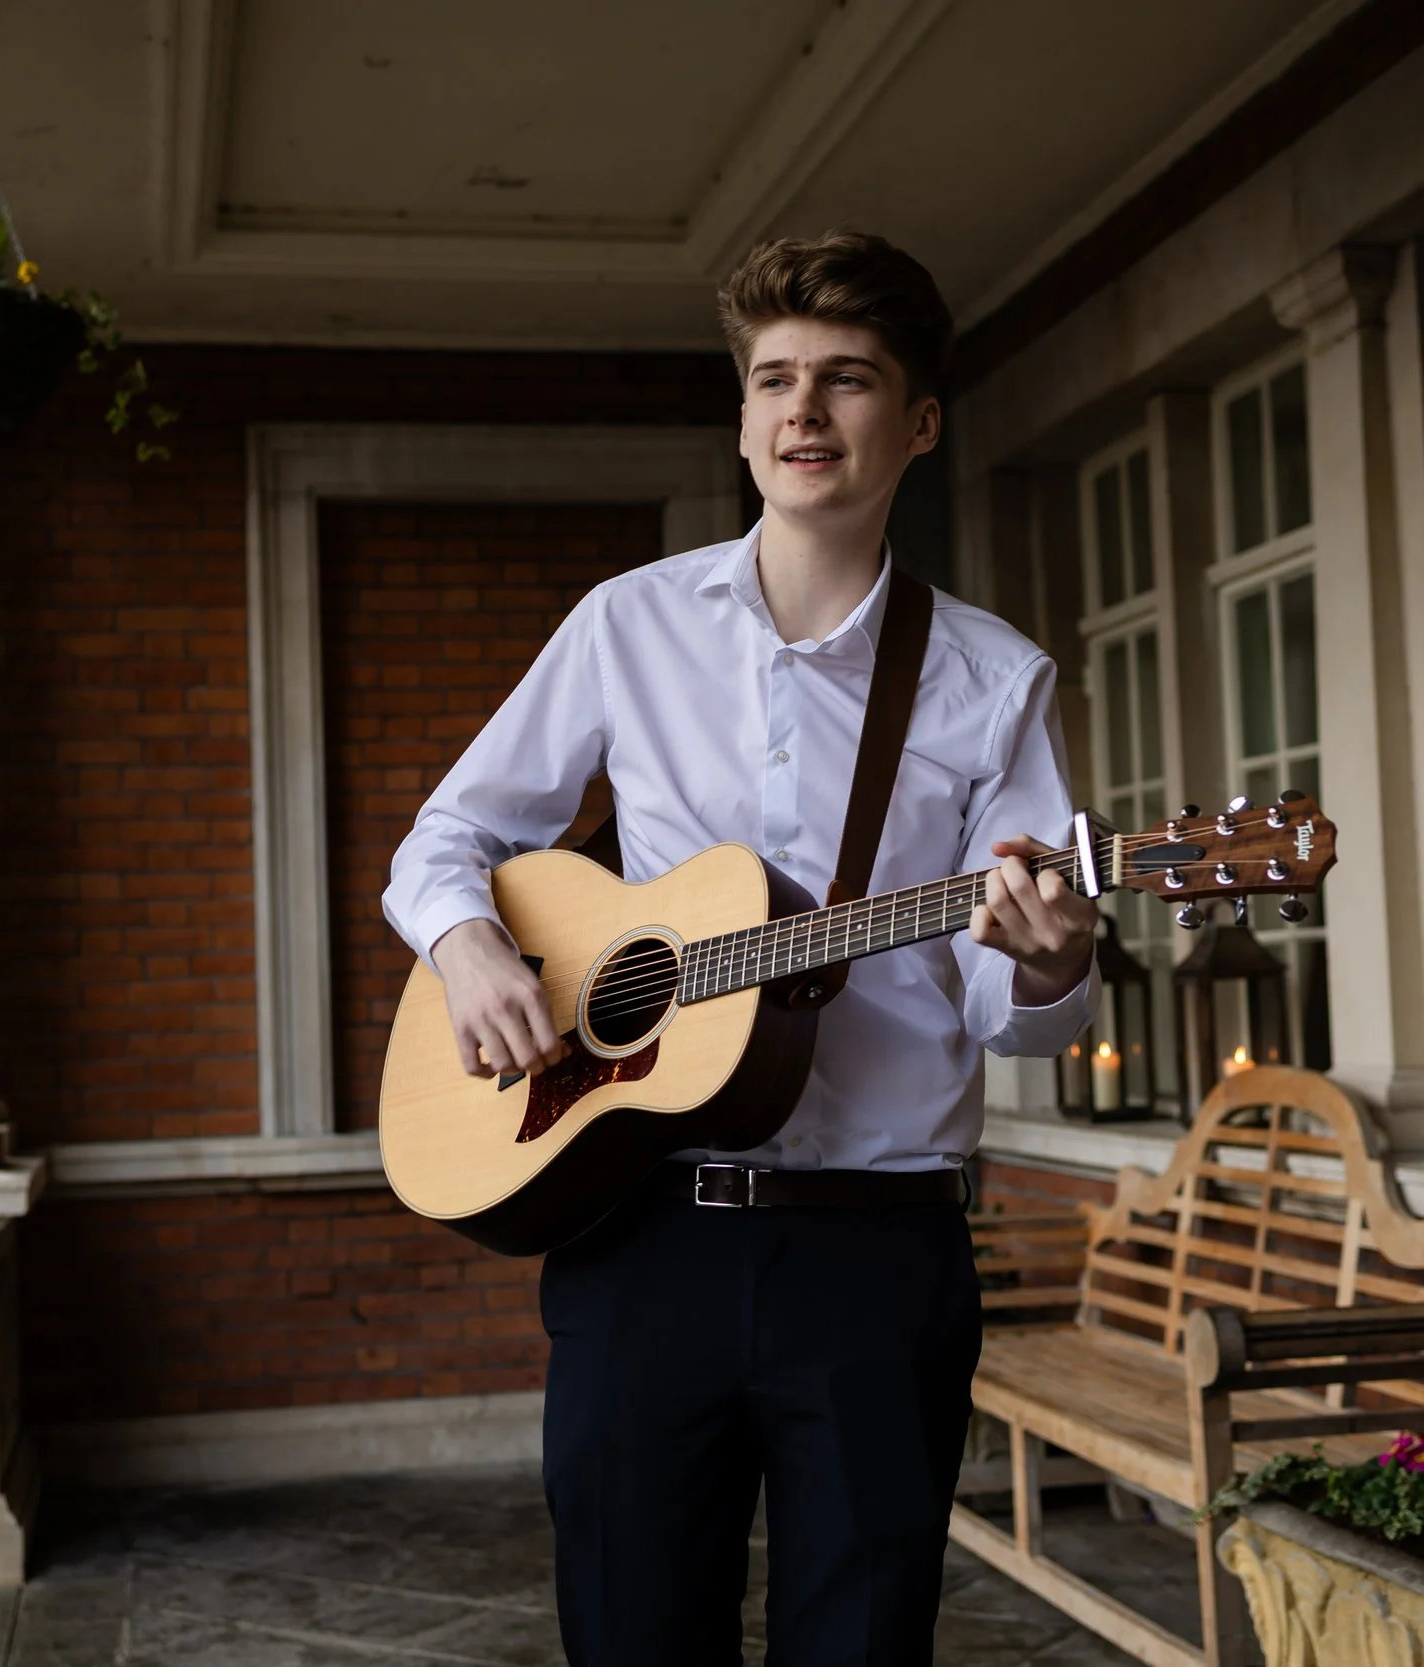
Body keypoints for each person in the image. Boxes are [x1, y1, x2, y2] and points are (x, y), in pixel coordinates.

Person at [381, 231, 1100, 1666]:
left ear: (920, 422)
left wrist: (1045, 954)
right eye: (774, 378)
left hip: (878, 1252)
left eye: (846, 379)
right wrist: (473, 955)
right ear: (742, 415)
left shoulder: (992, 680)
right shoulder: (626, 626)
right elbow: (442, 842)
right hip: (640, 1232)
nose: (803, 411)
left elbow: (1008, 1010)